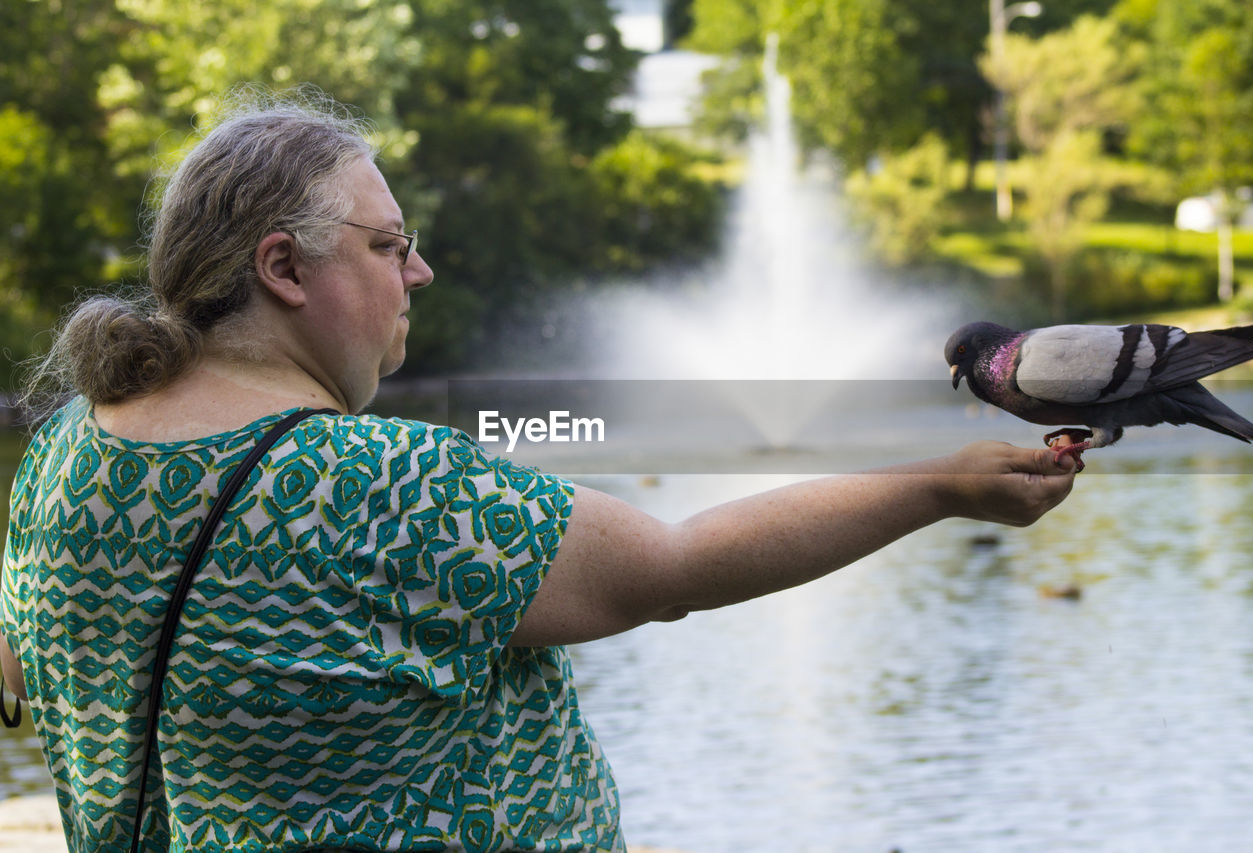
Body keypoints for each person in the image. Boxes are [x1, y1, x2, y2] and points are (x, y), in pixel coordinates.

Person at [0, 90, 1075, 853]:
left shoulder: (67, 457)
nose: (418, 269)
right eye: (386, 245)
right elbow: (674, 565)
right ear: (283, 267)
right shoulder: (375, 481)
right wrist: (941, 484)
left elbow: (18, 668)